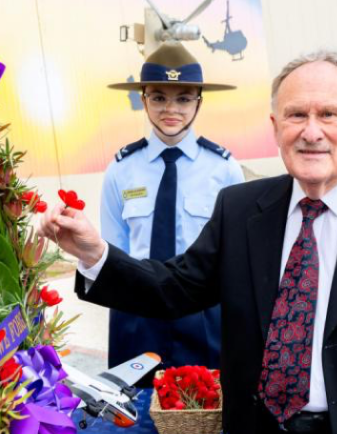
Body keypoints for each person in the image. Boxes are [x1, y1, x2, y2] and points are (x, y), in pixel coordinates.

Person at [41, 51, 337, 434]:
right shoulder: (242, 208)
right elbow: (174, 288)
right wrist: (94, 252)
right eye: (295, 114)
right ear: (275, 127)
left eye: (328, 114)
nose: (311, 131)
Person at [102, 41, 244, 383]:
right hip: (136, 313)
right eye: (159, 97)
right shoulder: (121, 169)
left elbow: (234, 257)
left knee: (205, 418)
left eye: (183, 98)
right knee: (131, 418)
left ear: (199, 101)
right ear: (143, 99)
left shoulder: (224, 169)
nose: (171, 109)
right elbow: (112, 251)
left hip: (202, 314)